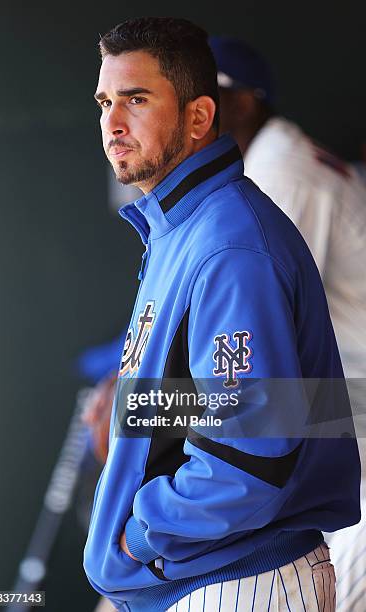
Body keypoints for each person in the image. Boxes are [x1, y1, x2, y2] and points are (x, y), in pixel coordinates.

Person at [83, 17, 360, 611]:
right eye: (105, 101)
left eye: (136, 99)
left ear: (201, 115)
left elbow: (250, 451)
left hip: (239, 577)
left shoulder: (231, 240)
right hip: (204, 572)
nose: (112, 122)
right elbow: (221, 397)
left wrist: (141, 534)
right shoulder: (181, 226)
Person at [209, 36, 366, 611]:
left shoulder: (282, 173)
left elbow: (253, 341)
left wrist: (154, 403)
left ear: (243, 101)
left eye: (206, 95)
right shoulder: (267, 164)